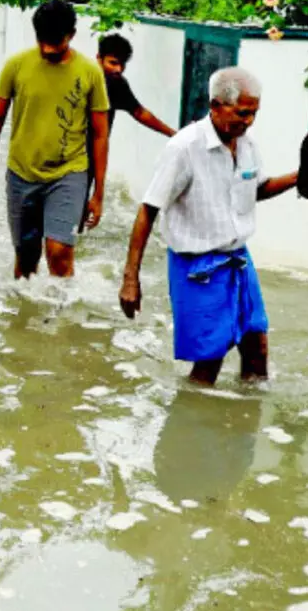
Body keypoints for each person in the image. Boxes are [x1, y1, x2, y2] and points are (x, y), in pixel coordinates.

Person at [118, 68, 298, 384]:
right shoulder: (183, 148)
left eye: (254, 114)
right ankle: (193, 426)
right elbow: (148, 210)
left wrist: (302, 176)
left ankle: (244, 423)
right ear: (215, 105)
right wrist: (130, 278)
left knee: (257, 349)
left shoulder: (247, 145)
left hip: (239, 259)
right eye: (242, 113)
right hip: (196, 267)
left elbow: (256, 189)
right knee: (208, 363)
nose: (248, 122)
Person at [0, 0, 111, 279]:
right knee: (26, 260)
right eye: (43, 41)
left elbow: (100, 134)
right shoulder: (16, 66)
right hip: (21, 173)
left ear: (72, 35)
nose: (48, 49)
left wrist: (98, 193)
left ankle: (60, 318)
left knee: (59, 251)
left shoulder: (90, 73)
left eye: (56, 42)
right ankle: (23, 318)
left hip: (69, 173)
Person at [96, 35, 176, 139]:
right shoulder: (83, 80)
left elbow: (139, 112)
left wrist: (174, 134)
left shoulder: (118, 84)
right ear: (99, 58)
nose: (118, 69)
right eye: (113, 63)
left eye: (122, 64)